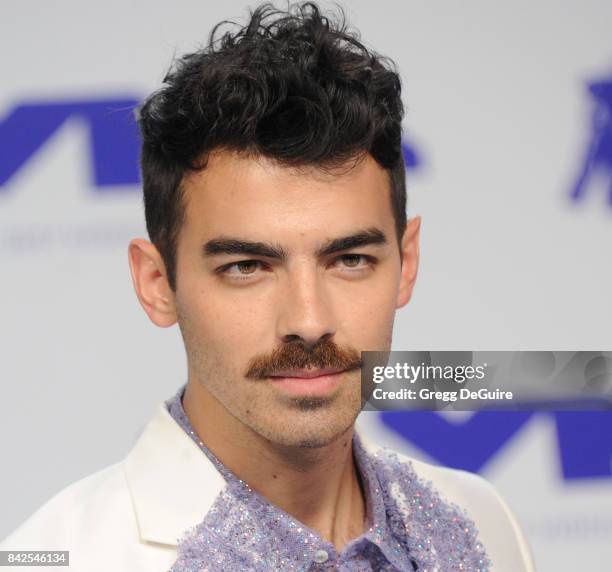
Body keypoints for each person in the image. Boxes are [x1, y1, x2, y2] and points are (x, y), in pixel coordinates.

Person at [0, 2, 535, 570]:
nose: (307, 319)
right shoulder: (69, 556)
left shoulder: (477, 521)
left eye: (349, 259)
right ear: (157, 283)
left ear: (406, 263)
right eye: (247, 267)